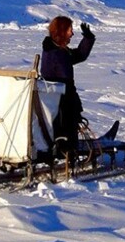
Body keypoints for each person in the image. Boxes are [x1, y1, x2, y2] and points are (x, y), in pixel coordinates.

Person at [40, 16, 95, 160]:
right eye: (70, 30)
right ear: (62, 31)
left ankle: (65, 150)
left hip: (61, 101)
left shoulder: (57, 50)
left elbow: (79, 55)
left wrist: (88, 38)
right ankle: (66, 153)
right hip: (61, 104)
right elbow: (64, 84)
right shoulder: (56, 54)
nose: (72, 34)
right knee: (66, 132)